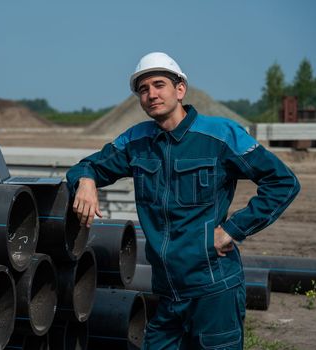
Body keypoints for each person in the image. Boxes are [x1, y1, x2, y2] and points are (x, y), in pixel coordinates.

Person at [66, 52, 300, 349]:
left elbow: (283, 182)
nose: (151, 94)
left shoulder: (221, 134)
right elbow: (87, 166)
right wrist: (86, 180)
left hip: (213, 289)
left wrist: (233, 229)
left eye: (159, 85)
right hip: (167, 293)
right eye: (143, 89)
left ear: (180, 89)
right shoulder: (136, 141)